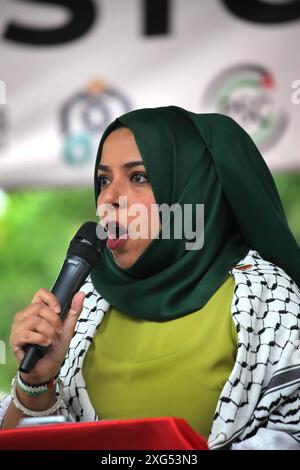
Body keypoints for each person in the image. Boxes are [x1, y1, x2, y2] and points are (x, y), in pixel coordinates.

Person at [1, 105, 300, 450]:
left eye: (138, 177)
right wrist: (37, 383)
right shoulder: (84, 303)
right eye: (103, 180)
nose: (109, 199)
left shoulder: (265, 297)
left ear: (191, 187)